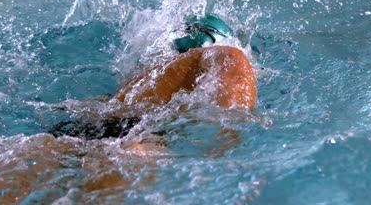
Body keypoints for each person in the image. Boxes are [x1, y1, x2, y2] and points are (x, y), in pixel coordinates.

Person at [49, 14, 257, 139]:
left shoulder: (111, 100)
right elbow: (231, 58)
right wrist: (232, 134)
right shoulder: (203, 63)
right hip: (133, 139)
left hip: (73, 132)